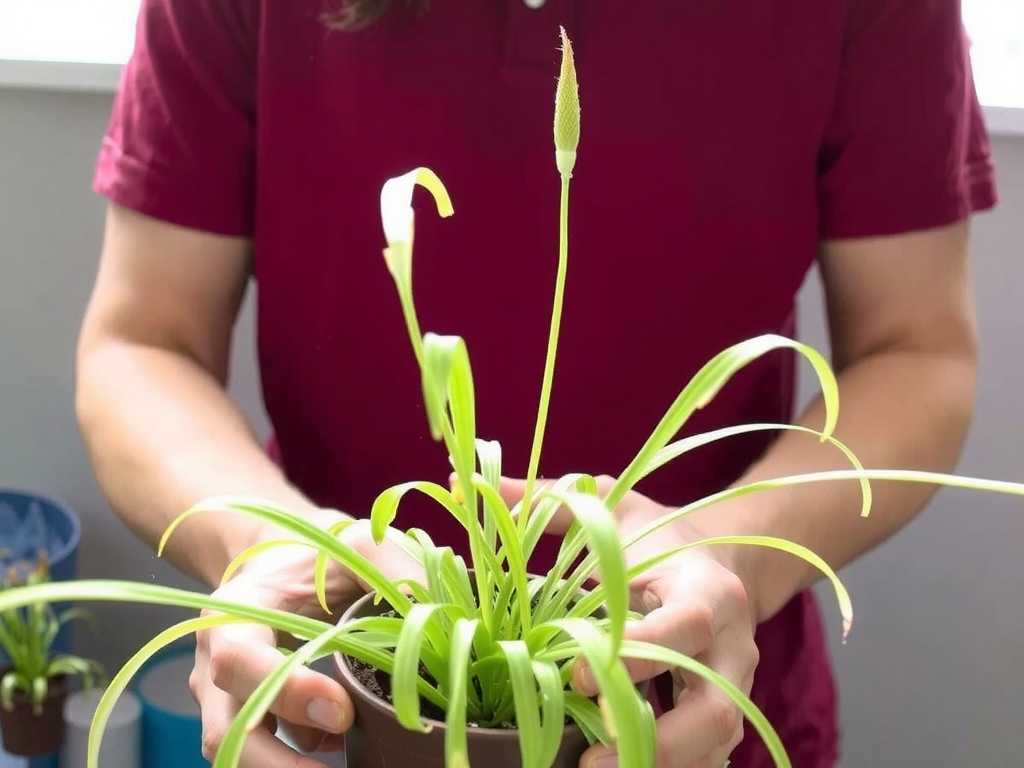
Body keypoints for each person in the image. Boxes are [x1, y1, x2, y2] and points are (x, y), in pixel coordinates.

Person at [76, 1, 995, 767]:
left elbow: (918, 352)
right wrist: (274, 546)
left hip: (694, 711)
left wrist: (730, 556)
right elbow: (140, 342)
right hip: (338, 715)